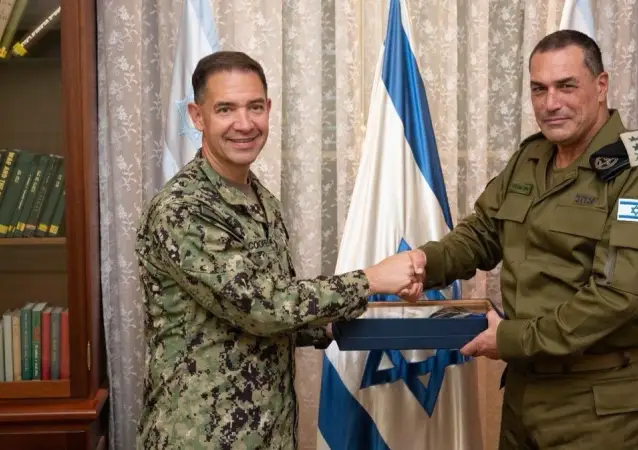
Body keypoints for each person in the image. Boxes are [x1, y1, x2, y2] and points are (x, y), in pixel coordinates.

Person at [408, 30, 638, 449]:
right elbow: (482, 234)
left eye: (566, 86)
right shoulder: (531, 157)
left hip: (598, 406)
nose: (550, 103)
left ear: (601, 85)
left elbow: (618, 295)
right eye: (539, 89)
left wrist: (511, 339)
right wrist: (423, 263)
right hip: (525, 394)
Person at [135, 51, 423, 450]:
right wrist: (370, 280)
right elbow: (262, 306)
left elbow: (267, 315)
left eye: (255, 107)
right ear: (197, 117)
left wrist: (334, 325)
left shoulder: (260, 198)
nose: (244, 123)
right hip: (200, 437)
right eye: (225, 109)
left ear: (268, 109)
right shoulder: (183, 209)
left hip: (269, 432)